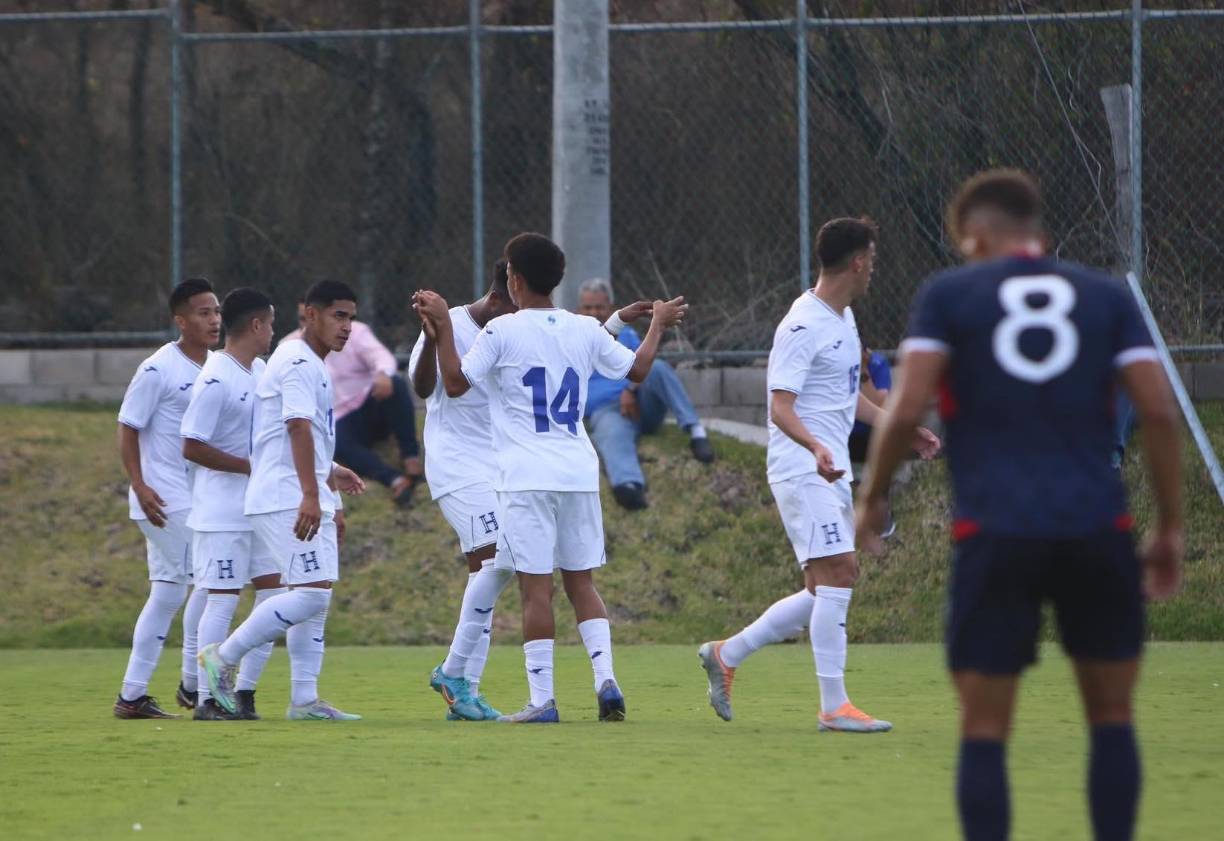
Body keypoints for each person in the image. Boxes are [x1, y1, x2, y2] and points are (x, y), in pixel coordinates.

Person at [855, 170, 1183, 840]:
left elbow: (907, 406)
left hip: (995, 529)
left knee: (982, 726)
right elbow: (1156, 408)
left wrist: (873, 495)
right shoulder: (1105, 297)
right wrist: (1170, 526)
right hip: (1097, 524)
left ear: (976, 234)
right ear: (1040, 233)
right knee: (1112, 717)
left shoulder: (950, 295)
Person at [415, 232, 687, 723]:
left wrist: (440, 329)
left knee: (535, 589)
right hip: (578, 472)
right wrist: (656, 325)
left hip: (525, 476)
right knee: (581, 582)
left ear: (514, 280)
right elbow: (638, 369)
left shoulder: (501, 332)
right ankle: (607, 681)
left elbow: (453, 385)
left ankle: (542, 700)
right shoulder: (582, 329)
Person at [697, 217, 939, 732]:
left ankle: (726, 653)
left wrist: (900, 427)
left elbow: (843, 397)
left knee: (820, 589)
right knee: (841, 573)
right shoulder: (802, 325)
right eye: (871, 260)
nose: (874, 270)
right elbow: (780, 407)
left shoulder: (844, 320)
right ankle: (834, 706)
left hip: (828, 469)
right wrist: (814, 447)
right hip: (802, 468)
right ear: (856, 262)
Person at [200, 280, 367, 721]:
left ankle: (304, 701)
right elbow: (295, 428)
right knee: (310, 596)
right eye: (338, 315)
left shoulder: (311, 362)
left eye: (351, 317)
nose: (347, 326)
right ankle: (223, 657)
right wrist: (312, 496)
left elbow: (295, 436)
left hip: (297, 491)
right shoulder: (295, 360)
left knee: (316, 594)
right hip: (284, 496)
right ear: (309, 314)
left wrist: (331, 479)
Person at [408, 260, 519, 721]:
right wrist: (436, 340)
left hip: (497, 468)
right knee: (495, 562)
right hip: (456, 466)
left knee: (491, 572)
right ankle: (456, 676)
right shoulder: (450, 321)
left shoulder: (514, 329)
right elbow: (421, 387)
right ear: (498, 299)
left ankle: (464, 693)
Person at [113, 278, 219, 719]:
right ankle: (193, 686)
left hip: (194, 496)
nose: (214, 320)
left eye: (216, 312)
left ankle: (133, 695)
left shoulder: (218, 365)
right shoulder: (159, 368)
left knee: (167, 595)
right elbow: (127, 426)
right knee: (212, 581)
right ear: (181, 320)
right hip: (164, 499)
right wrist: (138, 484)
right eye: (203, 313)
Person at [180, 287, 284, 721]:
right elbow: (191, 445)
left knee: (276, 594)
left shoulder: (259, 370)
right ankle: (207, 698)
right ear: (257, 325)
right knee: (222, 601)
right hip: (220, 515)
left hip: (257, 510)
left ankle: (242, 693)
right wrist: (250, 467)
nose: (274, 332)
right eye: (271, 324)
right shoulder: (215, 377)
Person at [577, 278, 714, 510]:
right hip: (606, 411)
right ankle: (628, 486)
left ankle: (695, 432)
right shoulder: (576, 339)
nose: (595, 313)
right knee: (611, 432)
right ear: (580, 309)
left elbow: (643, 366)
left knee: (659, 367)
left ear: (610, 307)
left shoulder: (627, 335)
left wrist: (630, 391)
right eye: (588, 308)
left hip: (641, 403)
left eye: (599, 307)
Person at [284, 301, 424, 507]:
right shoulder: (290, 347)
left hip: (368, 405)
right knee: (337, 440)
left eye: (313, 317)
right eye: (303, 319)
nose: (308, 324)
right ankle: (395, 480)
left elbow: (381, 357)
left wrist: (383, 374)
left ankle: (411, 458)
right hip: (337, 420)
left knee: (395, 384)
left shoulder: (354, 332)